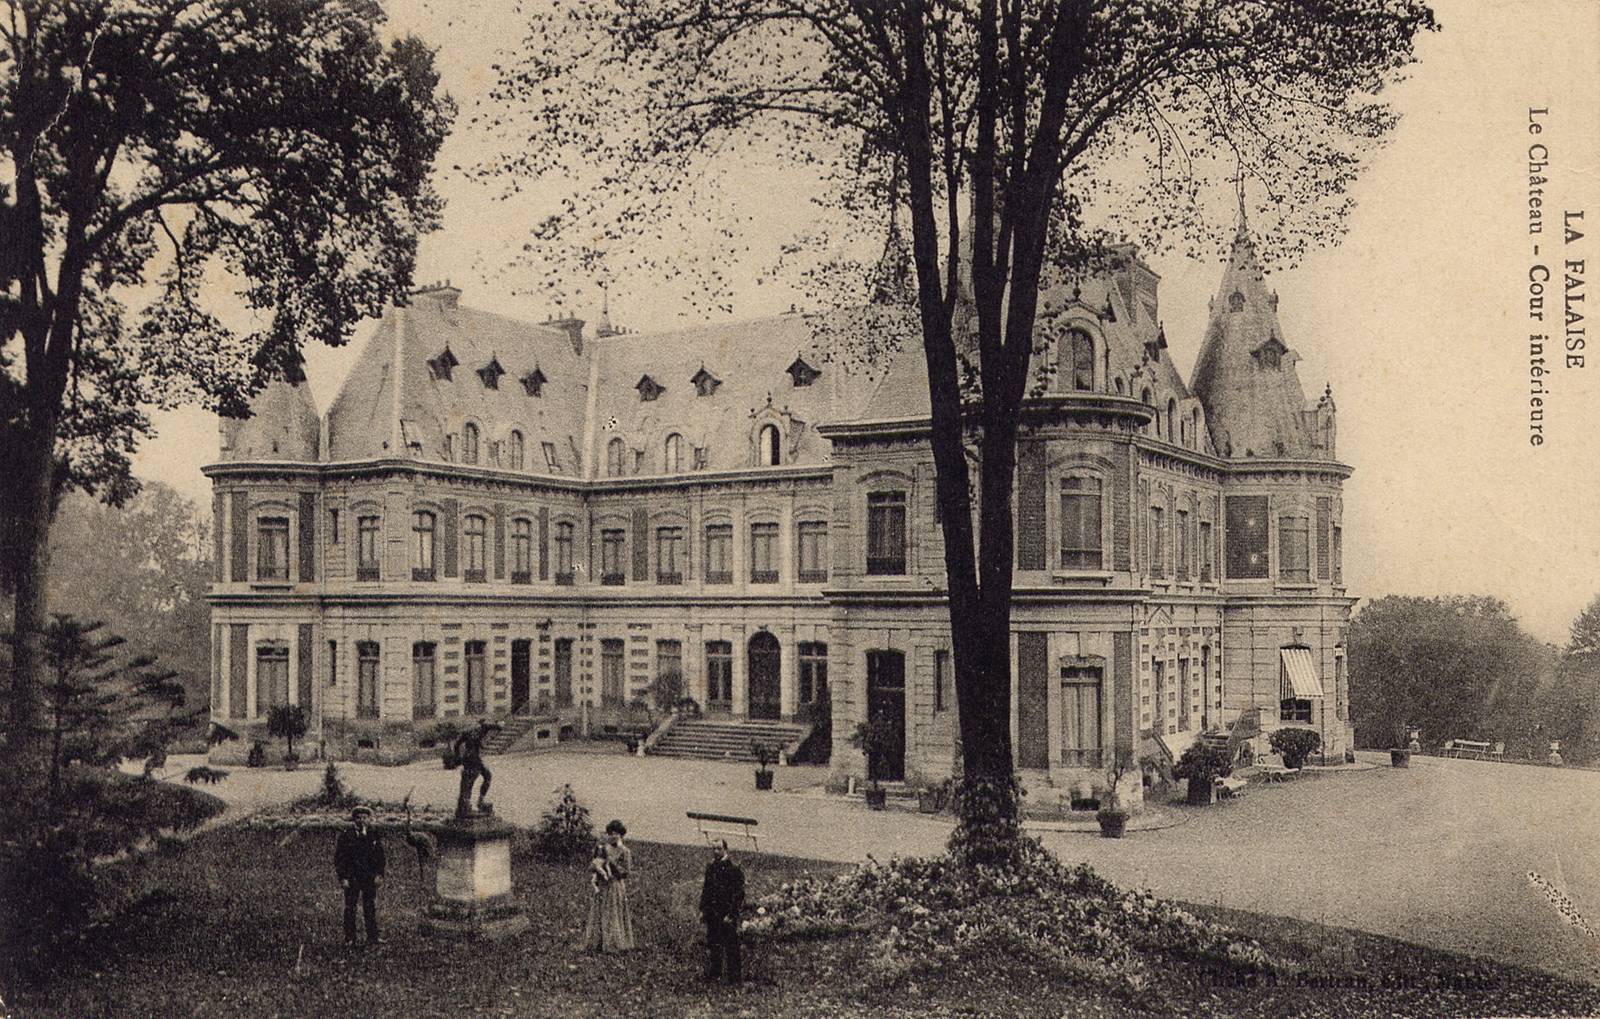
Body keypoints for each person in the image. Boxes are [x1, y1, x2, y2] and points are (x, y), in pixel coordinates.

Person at [334, 804, 386, 947]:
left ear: (369, 819)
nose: (362, 820)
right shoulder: (346, 836)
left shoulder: (373, 834)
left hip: (369, 877)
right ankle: (350, 938)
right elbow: (339, 858)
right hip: (352, 878)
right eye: (358, 817)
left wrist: (379, 875)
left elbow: (380, 857)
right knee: (350, 907)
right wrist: (343, 877)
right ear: (354, 820)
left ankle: (373, 937)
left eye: (365, 817)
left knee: (370, 907)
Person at [582, 819, 636, 952]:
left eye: (617, 833)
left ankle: (614, 943)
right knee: (600, 911)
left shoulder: (625, 851)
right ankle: (598, 942)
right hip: (603, 885)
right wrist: (599, 870)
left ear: (621, 835)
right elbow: (594, 864)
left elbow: (626, 872)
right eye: (611, 833)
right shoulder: (603, 848)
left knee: (613, 913)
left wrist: (614, 867)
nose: (614, 835)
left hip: (615, 885)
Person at [699, 839, 745, 984]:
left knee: (731, 945)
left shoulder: (734, 870)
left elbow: (738, 894)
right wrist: (703, 910)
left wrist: (731, 914)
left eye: (719, 848)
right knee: (714, 943)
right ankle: (715, 974)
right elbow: (706, 890)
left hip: (727, 914)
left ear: (726, 850)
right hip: (713, 913)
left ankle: (734, 977)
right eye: (713, 849)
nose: (716, 851)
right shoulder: (711, 868)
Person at [452, 719, 500, 818]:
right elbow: (497, 727)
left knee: (484, 776)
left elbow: (456, 745)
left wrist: (458, 757)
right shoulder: (482, 728)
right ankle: (467, 805)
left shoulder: (467, 731)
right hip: (474, 759)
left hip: (469, 757)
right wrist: (498, 724)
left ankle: (473, 802)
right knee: (472, 780)